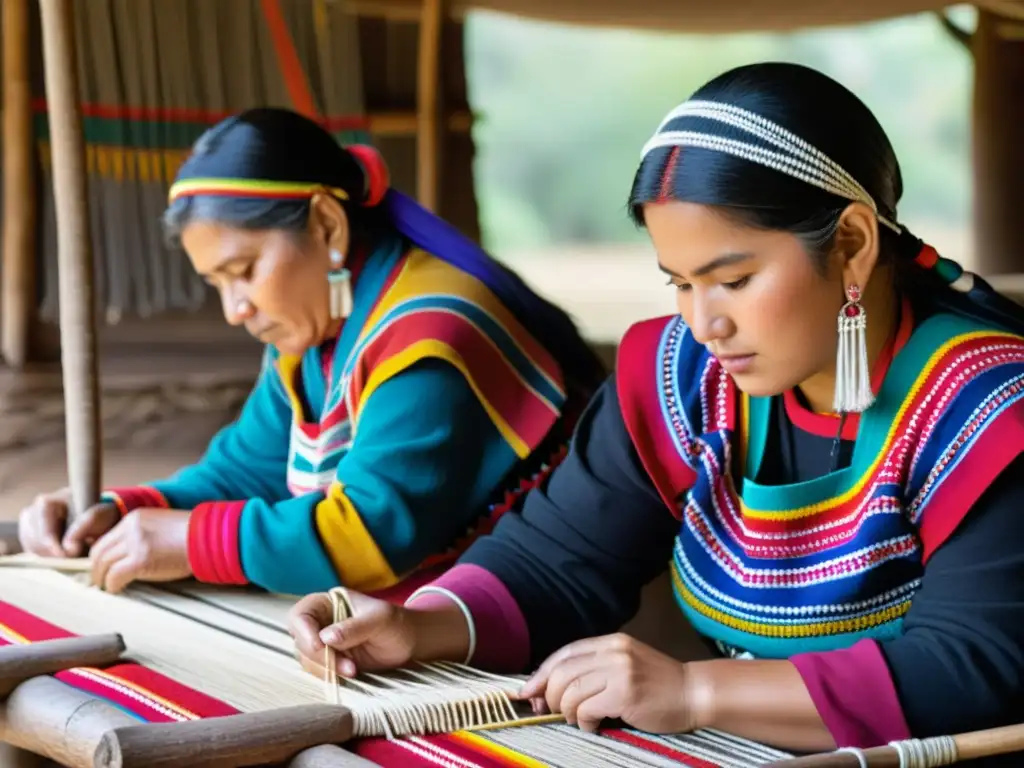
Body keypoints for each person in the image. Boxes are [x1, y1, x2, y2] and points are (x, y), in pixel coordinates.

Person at [286, 62, 1024, 759]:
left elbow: (973, 666)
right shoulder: (684, 377)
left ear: (854, 244)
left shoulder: (986, 407)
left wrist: (695, 688)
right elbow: (558, 555)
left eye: (732, 279)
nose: (705, 322)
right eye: (679, 282)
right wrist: (420, 625)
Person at [17, 108, 605, 598]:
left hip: (511, 637)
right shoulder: (315, 329)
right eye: (216, 283)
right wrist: (120, 511)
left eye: (243, 272)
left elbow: (372, 534)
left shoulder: (429, 336)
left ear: (327, 226)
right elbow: (247, 470)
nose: (234, 308)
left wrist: (192, 540)